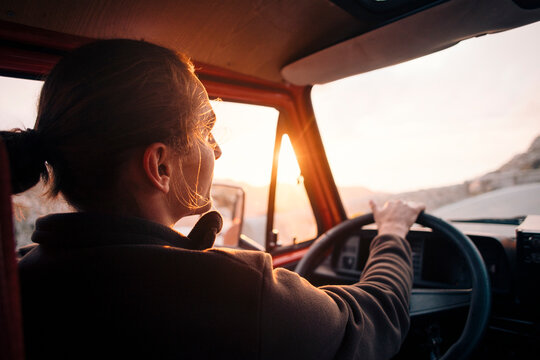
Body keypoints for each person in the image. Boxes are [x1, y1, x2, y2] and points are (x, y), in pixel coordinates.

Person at [2, 40, 424, 359]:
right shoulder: (237, 292)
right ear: (160, 166)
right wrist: (391, 233)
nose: (216, 149)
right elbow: (374, 322)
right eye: (206, 130)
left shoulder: (21, 274)